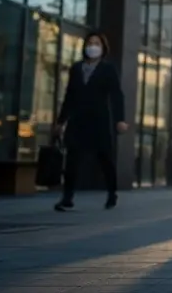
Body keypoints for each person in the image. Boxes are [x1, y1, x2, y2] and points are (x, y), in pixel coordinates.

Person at [53, 32, 127, 212]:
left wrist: (120, 119)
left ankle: (112, 193)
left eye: (97, 43)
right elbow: (69, 96)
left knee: (105, 159)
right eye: (90, 43)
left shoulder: (108, 69)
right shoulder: (76, 68)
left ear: (103, 48)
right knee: (72, 159)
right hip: (78, 120)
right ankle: (67, 198)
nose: (92, 46)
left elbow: (116, 95)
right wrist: (61, 121)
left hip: (99, 121)